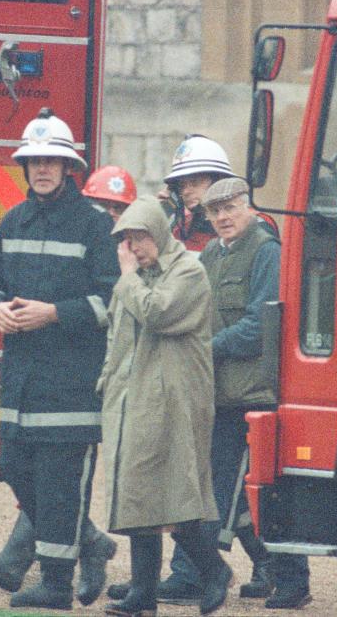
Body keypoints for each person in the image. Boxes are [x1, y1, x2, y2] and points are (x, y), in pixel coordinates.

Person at [0, 108, 120, 610]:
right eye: (34, 161)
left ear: (69, 165)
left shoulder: (95, 226)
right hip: (21, 384)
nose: (42, 169)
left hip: (72, 384)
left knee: (58, 487)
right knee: (15, 470)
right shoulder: (13, 220)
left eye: (52, 160)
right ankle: (91, 541)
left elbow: (111, 301)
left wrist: (54, 313)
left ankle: (56, 584)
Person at [99, 198, 232, 617]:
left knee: (174, 495)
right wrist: (106, 381)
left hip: (175, 401)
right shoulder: (135, 277)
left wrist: (127, 278)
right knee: (139, 495)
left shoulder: (190, 271)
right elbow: (117, 335)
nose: (134, 247)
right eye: (127, 240)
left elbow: (156, 313)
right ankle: (144, 594)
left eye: (139, 237)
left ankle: (212, 569)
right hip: (132, 399)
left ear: (158, 232)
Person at [199, 177, 311, 609]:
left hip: (256, 397)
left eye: (230, 207)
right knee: (229, 492)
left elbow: (260, 329)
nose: (223, 217)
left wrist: (204, 351)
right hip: (220, 396)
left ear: (248, 207)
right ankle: (265, 570)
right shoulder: (210, 254)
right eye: (215, 211)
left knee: (267, 493)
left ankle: (293, 582)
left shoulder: (267, 251)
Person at [160, 135, 237, 252]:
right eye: (181, 186)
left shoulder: (251, 226)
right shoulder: (179, 229)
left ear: (219, 181)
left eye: (195, 182)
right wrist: (161, 214)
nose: (185, 192)